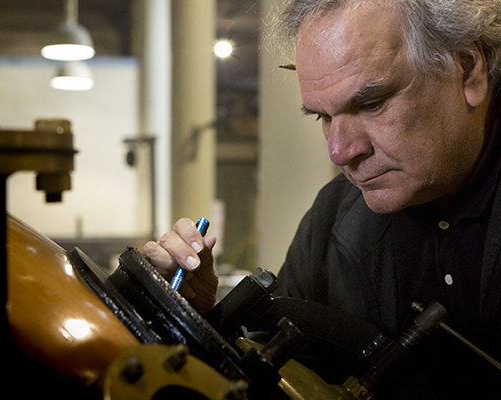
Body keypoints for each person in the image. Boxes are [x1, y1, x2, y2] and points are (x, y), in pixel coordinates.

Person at [141, 0, 501, 398]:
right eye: (323, 117)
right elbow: (276, 377)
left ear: (467, 70)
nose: (339, 152)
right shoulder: (331, 219)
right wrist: (205, 323)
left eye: (371, 103)